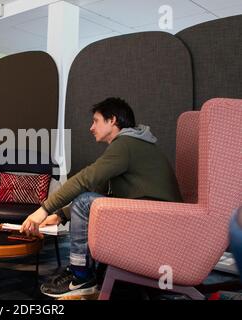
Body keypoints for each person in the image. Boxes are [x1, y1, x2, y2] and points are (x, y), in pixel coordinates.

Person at [20, 97, 183, 298]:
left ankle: (81, 276)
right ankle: (87, 275)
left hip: (159, 220)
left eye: (96, 120)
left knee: (84, 201)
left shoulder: (126, 144)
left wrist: (42, 210)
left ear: (112, 120)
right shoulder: (131, 143)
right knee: (90, 201)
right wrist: (61, 215)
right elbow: (103, 190)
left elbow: (85, 179)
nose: (91, 127)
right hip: (156, 216)